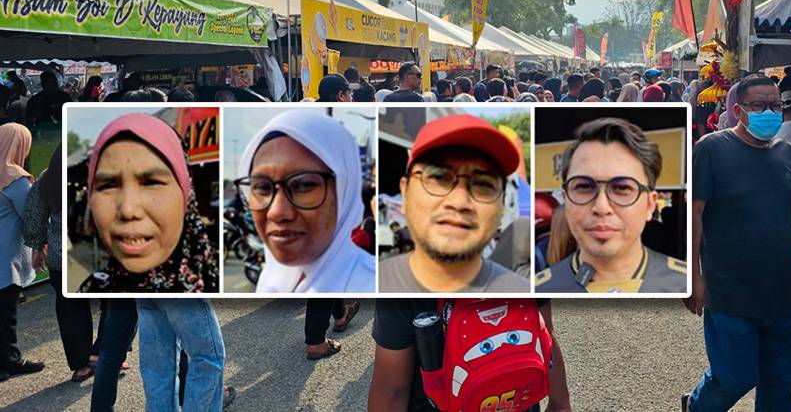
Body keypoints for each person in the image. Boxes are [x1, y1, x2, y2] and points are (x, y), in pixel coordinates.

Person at [683, 76, 791, 412]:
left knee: (780, 384)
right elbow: (694, 214)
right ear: (738, 110)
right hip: (730, 292)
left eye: (775, 106)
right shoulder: (711, 149)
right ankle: (697, 406)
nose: (769, 112)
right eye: (758, 106)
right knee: (733, 377)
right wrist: (692, 277)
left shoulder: (786, 152)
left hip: (783, 293)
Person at [379, 114, 528, 293]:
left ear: (502, 205)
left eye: (483, 184)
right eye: (439, 177)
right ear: (405, 193)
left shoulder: (523, 297)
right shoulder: (368, 285)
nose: (459, 202)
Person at [535, 118, 687, 293]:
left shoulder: (684, 287)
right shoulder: (538, 293)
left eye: (622, 188)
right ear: (565, 199)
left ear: (650, 205)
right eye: (584, 187)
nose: (601, 207)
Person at [236, 110, 375, 292]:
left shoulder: (372, 287)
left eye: (303, 185)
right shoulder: (273, 278)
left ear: (344, 190)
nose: (277, 212)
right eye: (262, 187)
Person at [80, 113, 217, 293]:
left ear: (186, 196)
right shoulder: (96, 289)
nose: (128, 210)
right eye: (107, 186)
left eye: (152, 182)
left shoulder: (209, 286)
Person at [369, 297, 572, 412]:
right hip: (518, 400)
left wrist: (560, 404)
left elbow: (392, 389)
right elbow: (545, 332)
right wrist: (560, 403)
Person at [23, 144, 107, 382]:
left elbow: (34, 214)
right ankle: (106, 352)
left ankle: (82, 365)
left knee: (70, 310)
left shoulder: (48, 178)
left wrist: (37, 246)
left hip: (62, 256)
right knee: (118, 306)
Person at [0, 123, 45, 381]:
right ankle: (9, 362)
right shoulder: (14, 179)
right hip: (6, 258)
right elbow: (30, 215)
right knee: (7, 314)